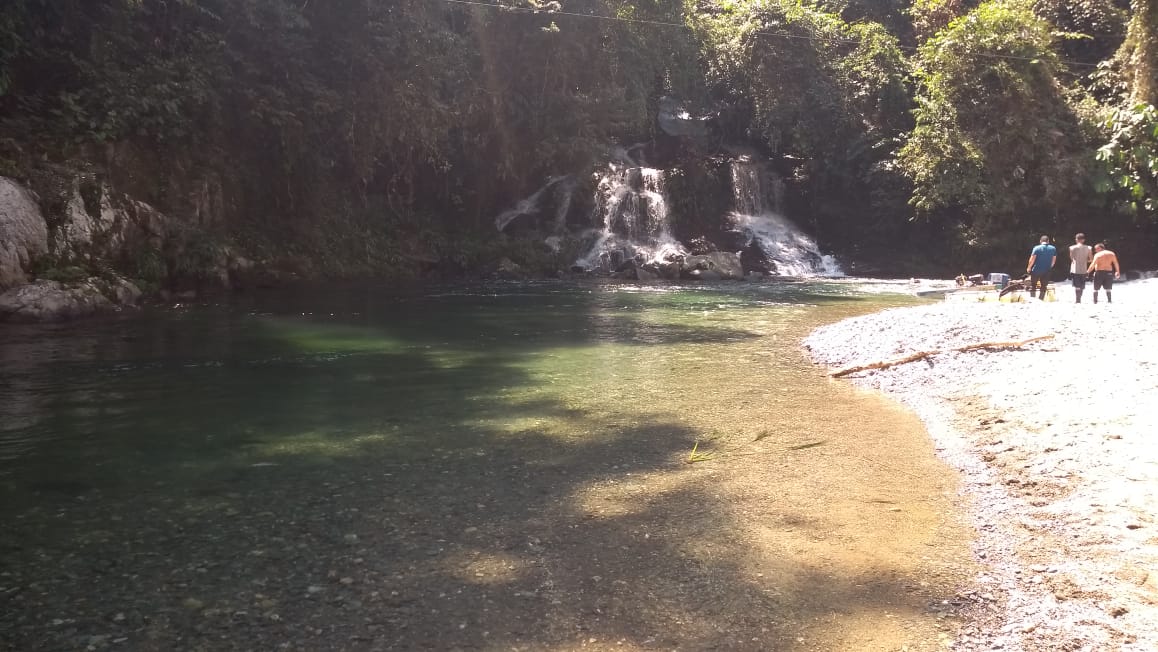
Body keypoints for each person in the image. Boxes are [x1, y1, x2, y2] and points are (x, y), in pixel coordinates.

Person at [1025, 235, 1056, 300]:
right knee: (1044, 286)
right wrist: (1050, 267)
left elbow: (1032, 259)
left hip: (1036, 270)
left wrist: (1029, 267)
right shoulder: (1053, 248)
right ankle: (1041, 299)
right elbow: (1053, 260)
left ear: (1040, 241)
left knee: (1033, 285)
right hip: (1047, 270)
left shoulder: (1036, 248)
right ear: (1048, 241)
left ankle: (1033, 298)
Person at [1068, 233, 1092, 303]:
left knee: (1076, 286)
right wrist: (1085, 260)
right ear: (1083, 240)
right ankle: (1080, 298)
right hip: (1084, 269)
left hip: (1075, 269)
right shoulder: (1089, 248)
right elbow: (1091, 259)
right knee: (1082, 285)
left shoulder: (1071, 248)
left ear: (1076, 239)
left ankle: (1078, 300)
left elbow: (1071, 258)